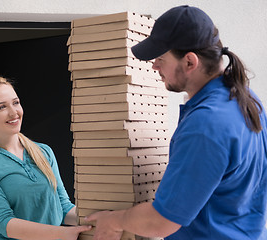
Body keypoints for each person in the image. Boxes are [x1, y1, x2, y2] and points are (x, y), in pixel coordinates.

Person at [85, 5, 267, 240]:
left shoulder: (206, 124)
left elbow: (161, 222)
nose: (154, 66)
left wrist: (114, 220)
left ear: (190, 62)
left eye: (161, 58)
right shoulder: (248, 101)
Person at [0, 77, 91, 240]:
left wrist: (97, 220)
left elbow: (63, 207)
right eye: (1, 107)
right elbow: (4, 222)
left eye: (15, 103)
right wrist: (61, 233)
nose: (13, 112)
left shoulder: (43, 151)